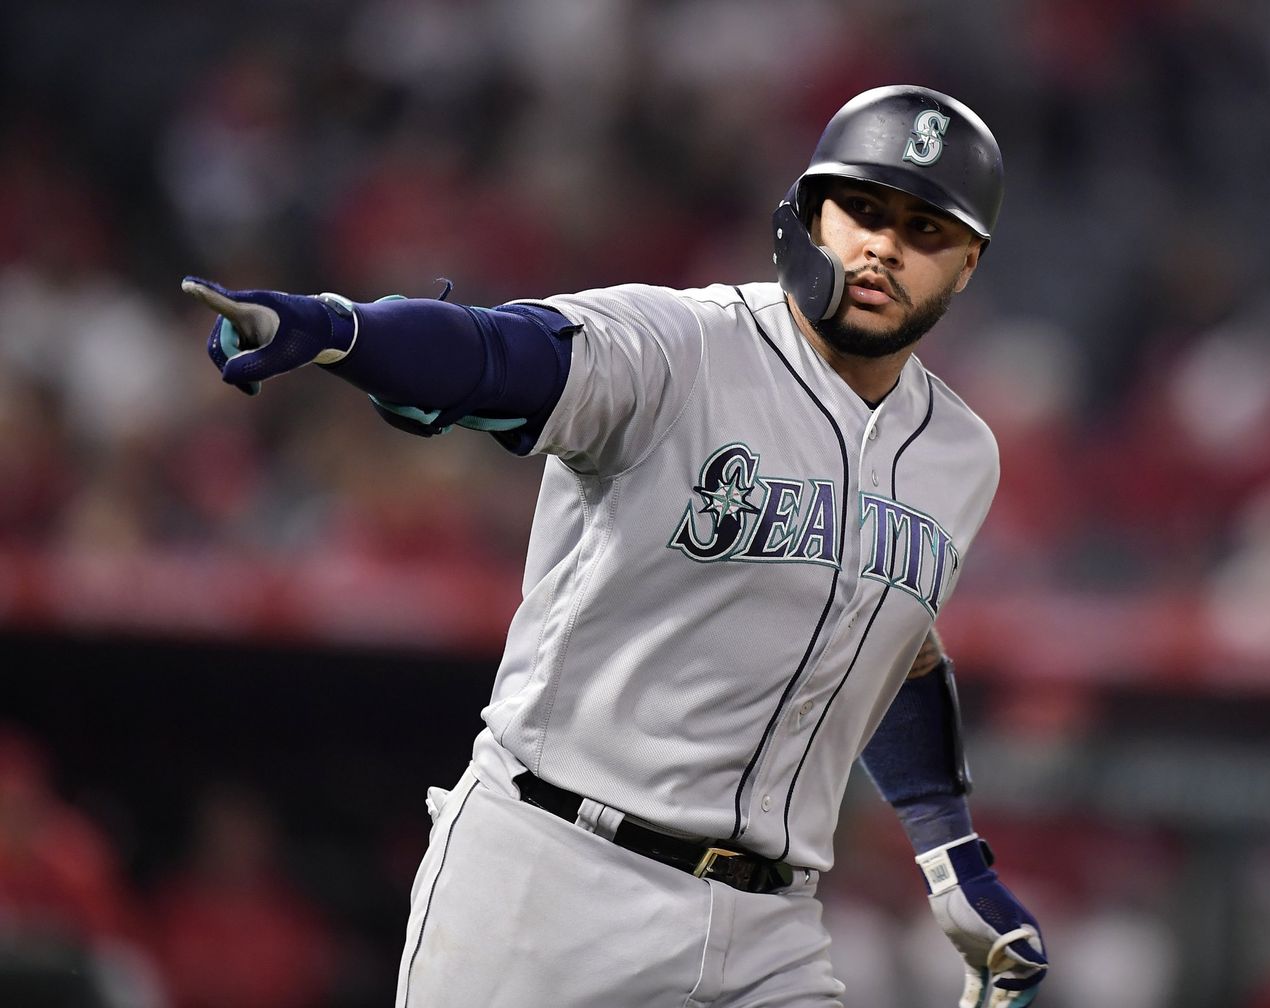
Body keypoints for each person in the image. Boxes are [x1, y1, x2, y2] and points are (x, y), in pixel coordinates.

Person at [183, 84, 1047, 1008]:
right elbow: (501, 356)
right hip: (551, 881)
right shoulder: (681, 346)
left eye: (924, 231)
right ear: (808, 214)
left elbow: (892, 646)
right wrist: (342, 331)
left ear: (967, 266)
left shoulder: (961, 456)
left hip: (771, 929)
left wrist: (952, 856)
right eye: (863, 210)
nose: (882, 246)